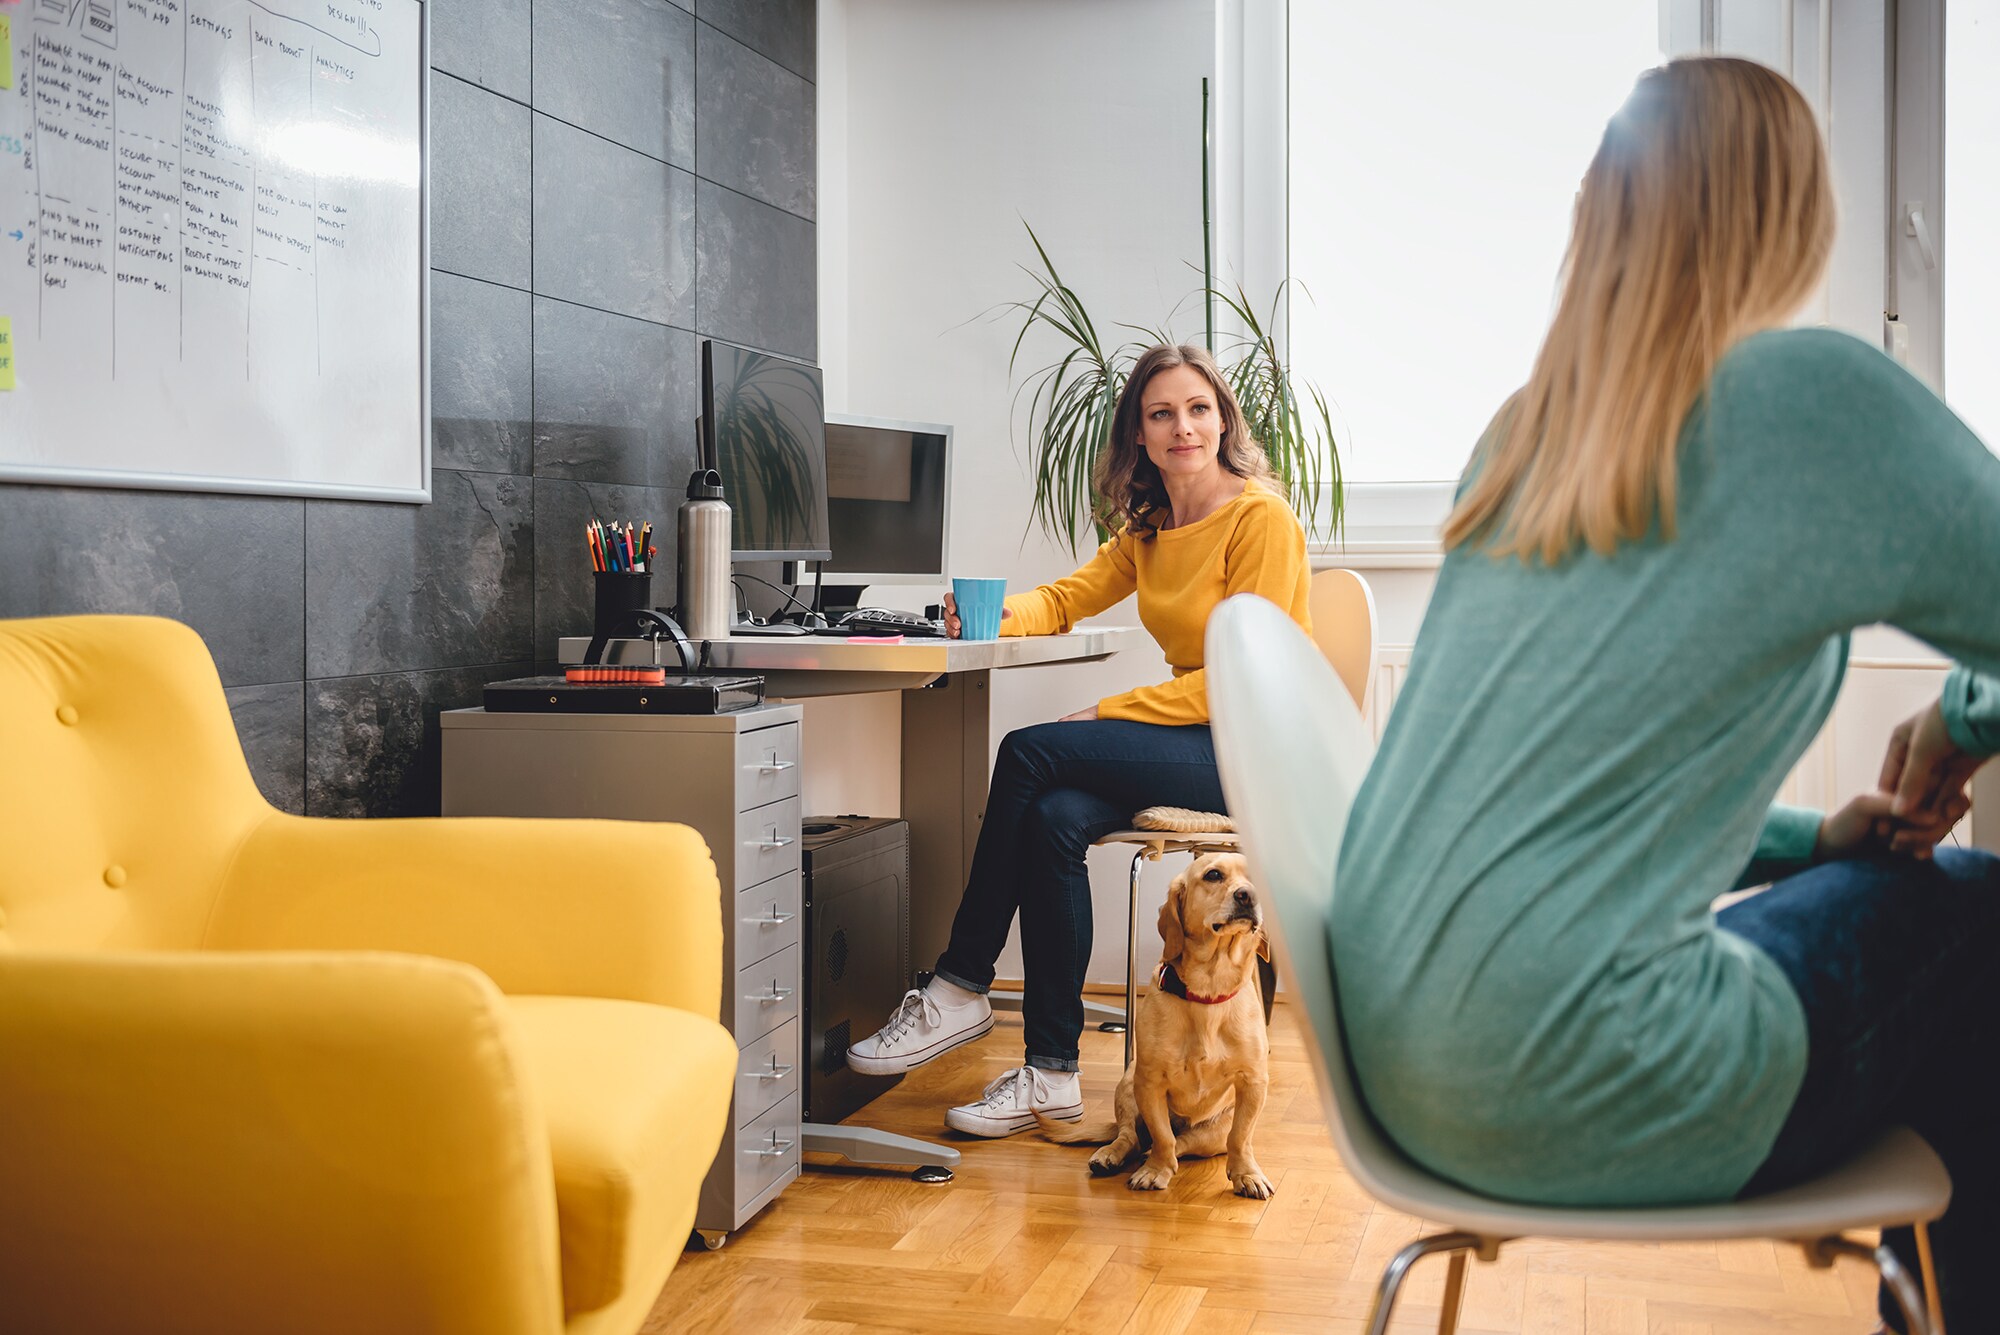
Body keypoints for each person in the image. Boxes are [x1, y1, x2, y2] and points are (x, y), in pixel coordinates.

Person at [1330, 56, 2000, 1330]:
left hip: (1409, 1069)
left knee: (1906, 912)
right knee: (1972, 928)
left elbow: (1558, 801)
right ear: (1788, 211)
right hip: (1588, 1077)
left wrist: (1816, 841)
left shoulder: (1527, 436)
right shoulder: (1814, 403)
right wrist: (1958, 719)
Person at [845, 342, 1312, 1136]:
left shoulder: (1258, 517)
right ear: (1138, 432)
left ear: (1222, 418)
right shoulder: (1153, 526)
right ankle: (1051, 1074)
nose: (1182, 427)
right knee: (1055, 815)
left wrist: (1114, 709)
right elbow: (1069, 596)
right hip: (1189, 736)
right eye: (1161, 413)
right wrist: (987, 616)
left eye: (1197, 409)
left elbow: (1251, 678)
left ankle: (960, 984)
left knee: (1029, 751)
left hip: (1253, 751)